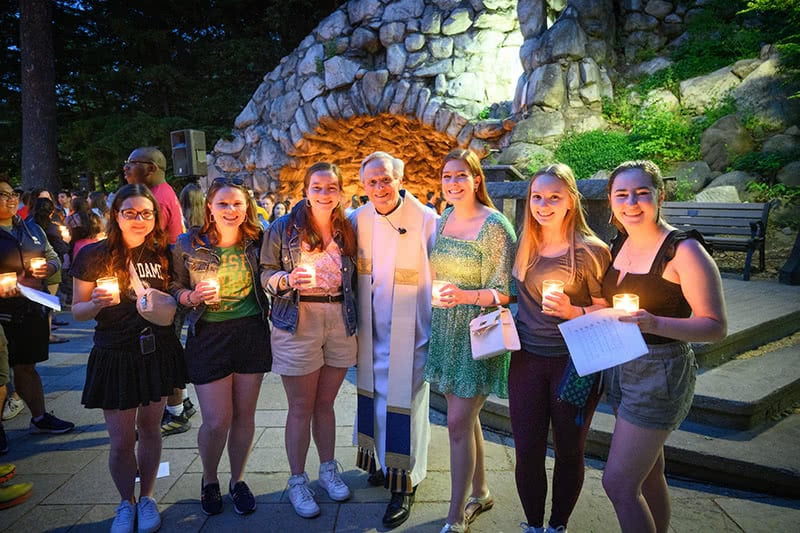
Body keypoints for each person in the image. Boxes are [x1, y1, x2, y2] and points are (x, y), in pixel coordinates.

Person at [601, 160, 727, 533]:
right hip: (622, 365)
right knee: (650, 473)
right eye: (621, 194)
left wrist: (655, 323)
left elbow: (716, 327)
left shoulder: (684, 251)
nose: (631, 203)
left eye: (642, 193)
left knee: (619, 484)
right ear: (610, 200)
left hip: (660, 373)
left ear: (660, 195)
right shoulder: (620, 242)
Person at [71, 184, 186, 533]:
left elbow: (176, 296)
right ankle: (126, 502)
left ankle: (147, 497)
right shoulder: (93, 255)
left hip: (155, 350)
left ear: (156, 217)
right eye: (130, 213)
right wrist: (95, 305)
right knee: (121, 439)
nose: (138, 220)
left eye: (146, 213)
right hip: (115, 353)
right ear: (116, 216)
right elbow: (77, 311)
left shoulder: (165, 254)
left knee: (150, 428)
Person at [509, 164, 611, 533]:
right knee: (528, 450)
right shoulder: (525, 244)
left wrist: (575, 311)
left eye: (554, 197)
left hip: (575, 363)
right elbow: (512, 297)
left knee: (569, 449)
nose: (544, 204)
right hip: (525, 361)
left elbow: (611, 308)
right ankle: (534, 524)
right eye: (537, 196)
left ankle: (558, 526)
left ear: (571, 200)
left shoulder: (590, 251)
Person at [422, 149, 516, 533]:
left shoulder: (495, 225)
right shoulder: (443, 218)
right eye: (447, 176)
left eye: (461, 175)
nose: (453, 183)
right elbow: (434, 274)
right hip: (445, 329)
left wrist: (463, 296)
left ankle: (455, 514)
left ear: (477, 179)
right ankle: (481, 489)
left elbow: (506, 292)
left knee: (458, 423)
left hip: (478, 332)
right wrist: (435, 293)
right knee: (464, 417)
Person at [260, 162, 357, 519]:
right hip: (298, 319)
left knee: (326, 404)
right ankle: (297, 479)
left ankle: (328, 469)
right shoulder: (283, 227)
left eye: (331, 187)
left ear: (340, 192)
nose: (324, 193)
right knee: (301, 406)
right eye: (317, 187)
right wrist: (285, 280)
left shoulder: (347, 227)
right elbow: (265, 273)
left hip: (339, 318)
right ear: (305, 190)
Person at [170, 177, 271, 516]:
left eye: (237, 204)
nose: (231, 210)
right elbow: (173, 285)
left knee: (245, 415)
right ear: (209, 207)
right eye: (223, 204)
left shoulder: (258, 241)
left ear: (247, 207)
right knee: (216, 420)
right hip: (209, 335)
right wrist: (189, 296)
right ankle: (209, 479)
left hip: (250, 332)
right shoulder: (188, 243)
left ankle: (238, 480)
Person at [351, 152, 438, 529]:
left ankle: (405, 482)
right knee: (376, 396)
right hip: (372, 328)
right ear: (363, 186)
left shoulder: (427, 220)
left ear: (401, 179)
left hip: (413, 326)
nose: (379, 188)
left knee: (408, 402)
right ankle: (383, 463)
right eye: (371, 182)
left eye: (386, 180)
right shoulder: (358, 220)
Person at [123, 146, 194, 435]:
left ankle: (176, 411)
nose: (125, 168)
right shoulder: (164, 193)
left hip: (161, 287)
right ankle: (183, 402)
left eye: (131, 163)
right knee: (169, 345)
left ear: (151, 168)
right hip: (166, 283)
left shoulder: (156, 198)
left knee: (163, 348)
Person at [0, 174, 73, 442]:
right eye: (3, 195)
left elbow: (52, 256)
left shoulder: (31, 228)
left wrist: (48, 267)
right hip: (2, 311)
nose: (10, 199)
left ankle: (40, 417)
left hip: (30, 305)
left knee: (27, 365)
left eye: (12, 195)